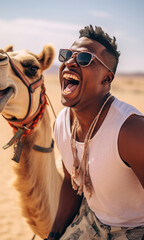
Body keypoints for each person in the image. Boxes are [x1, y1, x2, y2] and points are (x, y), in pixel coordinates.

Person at [46, 25, 144, 240]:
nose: (70, 62)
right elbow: (70, 183)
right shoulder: (62, 122)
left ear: (106, 79)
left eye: (83, 59)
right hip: (93, 219)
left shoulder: (130, 131)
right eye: (67, 55)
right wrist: (53, 236)